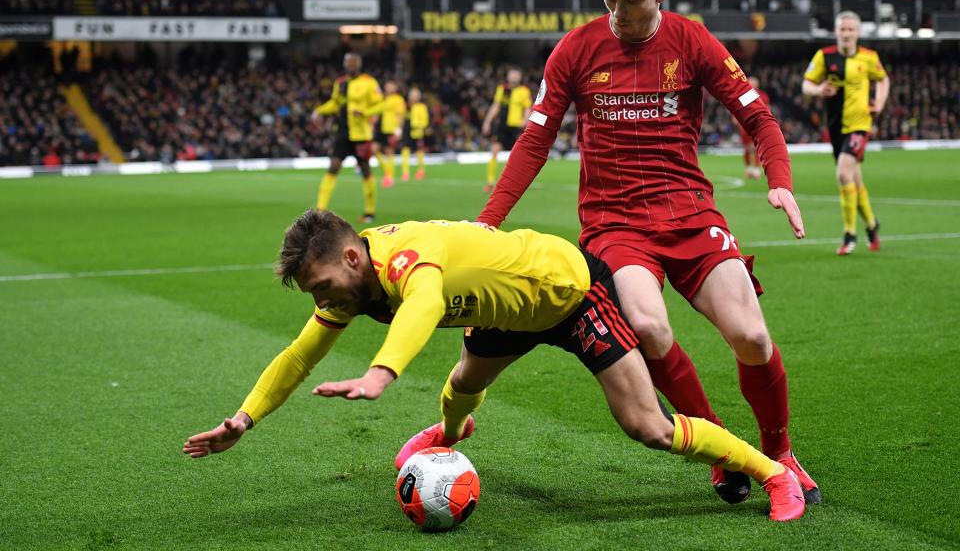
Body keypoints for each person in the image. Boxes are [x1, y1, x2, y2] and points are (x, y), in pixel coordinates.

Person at [476, 0, 820, 505]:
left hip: (689, 212)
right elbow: (534, 141)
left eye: (630, 1)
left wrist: (778, 181)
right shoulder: (575, 49)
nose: (616, 13)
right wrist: (488, 221)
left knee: (752, 336)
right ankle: (723, 448)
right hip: (616, 225)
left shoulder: (692, 41)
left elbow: (759, 117)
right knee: (651, 326)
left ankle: (780, 452)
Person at [182, 210, 806, 522]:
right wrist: (245, 418)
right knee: (461, 386)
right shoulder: (353, 283)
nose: (323, 303)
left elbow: (425, 301)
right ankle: (449, 439)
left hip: (567, 293)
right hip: (505, 313)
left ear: (351, 256)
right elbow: (298, 355)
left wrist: (381, 373)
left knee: (647, 426)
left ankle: (768, 471)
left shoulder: (402, 260)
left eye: (322, 286)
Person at [802, 11, 889, 255]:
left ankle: (850, 234)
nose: (847, 33)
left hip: (860, 125)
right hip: (836, 127)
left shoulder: (869, 57)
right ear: (836, 31)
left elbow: (883, 80)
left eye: (851, 29)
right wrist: (818, 90)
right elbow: (805, 84)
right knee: (854, 179)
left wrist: (879, 103)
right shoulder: (824, 56)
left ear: (858, 33)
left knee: (843, 174)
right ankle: (872, 225)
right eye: (843, 29)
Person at [312, 52, 382, 223]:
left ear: (359, 64)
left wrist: (365, 112)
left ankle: (370, 211)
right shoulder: (340, 82)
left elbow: (380, 104)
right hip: (343, 132)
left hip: (361, 133)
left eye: (353, 62)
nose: (350, 65)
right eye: (348, 62)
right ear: (344, 64)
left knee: (365, 169)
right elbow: (335, 103)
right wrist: (319, 111)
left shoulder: (369, 82)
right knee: (334, 166)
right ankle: (320, 210)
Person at [481, 67, 532, 192]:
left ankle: (517, 182)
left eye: (516, 75)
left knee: (518, 155)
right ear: (508, 76)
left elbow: (527, 108)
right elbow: (496, 106)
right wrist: (487, 121)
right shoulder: (502, 89)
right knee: (494, 150)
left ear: (520, 78)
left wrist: (525, 120)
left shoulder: (524, 91)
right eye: (512, 75)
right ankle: (490, 181)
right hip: (501, 126)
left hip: (516, 127)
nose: (514, 77)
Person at [366, 80, 406, 188]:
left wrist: (398, 130)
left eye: (391, 86)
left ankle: (389, 178)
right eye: (387, 85)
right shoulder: (383, 98)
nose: (389, 87)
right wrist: (372, 125)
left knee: (389, 152)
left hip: (391, 129)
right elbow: (377, 113)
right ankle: (387, 173)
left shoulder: (398, 99)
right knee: (374, 149)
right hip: (381, 128)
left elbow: (400, 115)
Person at [739, 77, 768, 180]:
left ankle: (756, 170)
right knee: (747, 148)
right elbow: (738, 108)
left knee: (756, 147)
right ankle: (749, 169)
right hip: (745, 125)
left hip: (757, 124)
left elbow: (767, 109)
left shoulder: (763, 96)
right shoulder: (743, 94)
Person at [400, 87, 428, 181]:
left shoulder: (421, 107)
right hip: (406, 130)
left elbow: (425, 121)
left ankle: (421, 171)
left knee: (419, 151)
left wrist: (418, 126)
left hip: (416, 131)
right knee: (405, 150)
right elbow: (401, 116)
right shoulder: (405, 105)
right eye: (412, 95)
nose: (413, 97)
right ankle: (405, 172)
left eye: (415, 95)